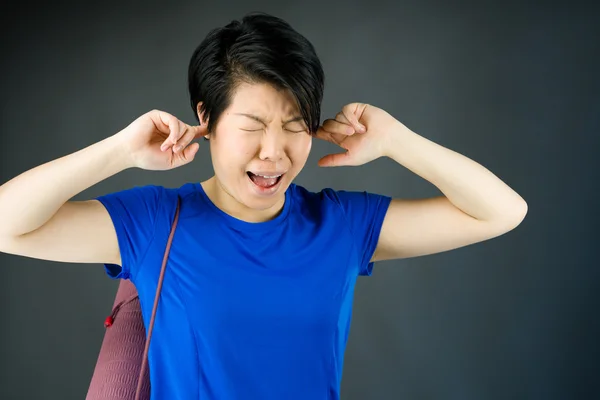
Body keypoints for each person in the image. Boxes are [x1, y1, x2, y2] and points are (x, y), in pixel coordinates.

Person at [0, 12, 527, 400]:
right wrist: (119, 151)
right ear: (206, 119)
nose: (274, 152)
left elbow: (501, 211)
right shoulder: (157, 222)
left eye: (295, 125)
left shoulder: (340, 226)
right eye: (252, 127)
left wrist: (397, 140)